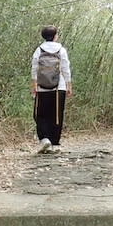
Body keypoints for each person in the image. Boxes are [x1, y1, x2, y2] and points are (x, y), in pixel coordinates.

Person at [31, 25, 72, 154]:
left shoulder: (39, 50)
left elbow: (34, 68)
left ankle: (44, 139)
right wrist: (68, 85)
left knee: (40, 115)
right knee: (57, 115)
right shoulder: (61, 50)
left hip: (42, 88)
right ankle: (55, 143)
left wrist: (34, 85)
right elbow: (65, 68)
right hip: (59, 88)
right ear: (55, 36)